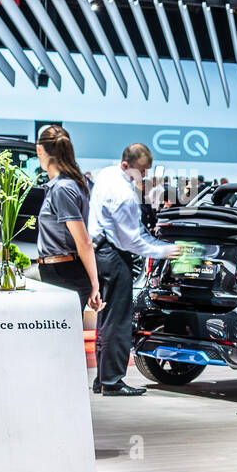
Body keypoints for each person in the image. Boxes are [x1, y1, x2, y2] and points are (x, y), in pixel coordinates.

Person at [88, 143, 181, 397]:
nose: (144, 177)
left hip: (99, 253)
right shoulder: (124, 195)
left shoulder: (106, 174)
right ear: (127, 165)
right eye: (141, 171)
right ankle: (114, 382)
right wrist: (165, 250)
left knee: (105, 319)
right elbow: (134, 242)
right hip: (115, 255)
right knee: (118, 320)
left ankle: (103, 379)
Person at [34, 125, 101, 315]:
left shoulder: (62, 189)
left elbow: (84, 241)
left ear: (40, 150)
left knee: (59, 341)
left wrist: (94, 285)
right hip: (59, 272)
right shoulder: (73, 184)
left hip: (62, 275)